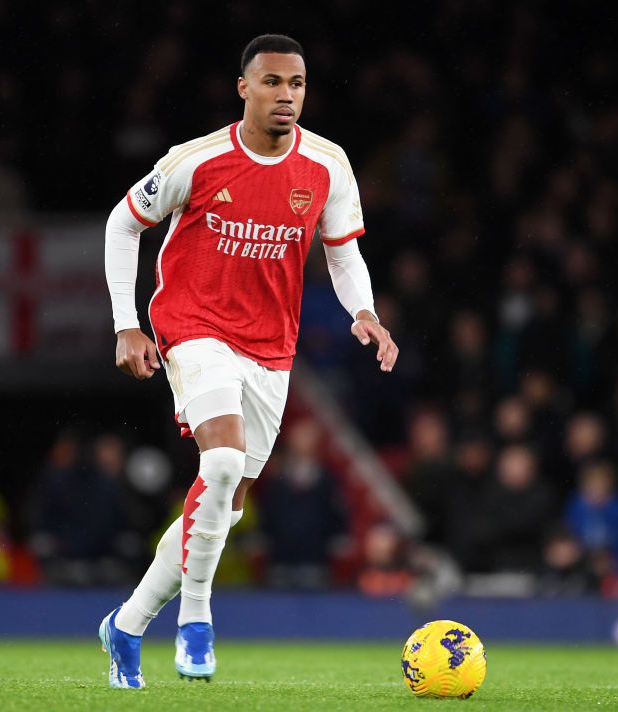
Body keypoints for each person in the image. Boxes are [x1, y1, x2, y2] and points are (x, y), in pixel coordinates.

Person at [100, 34, 398, 688]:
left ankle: (126, 624)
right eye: (271, 82)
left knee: (224, 505)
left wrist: (365, 312)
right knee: (224, 460)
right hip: (193, 325)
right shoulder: (197, 160)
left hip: (270, 346)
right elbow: (123, 224)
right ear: (244, 88)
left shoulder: (327, 165)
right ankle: (197, 624)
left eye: (295, 84)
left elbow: (342, 251)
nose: (285, 95)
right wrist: (126, 325)